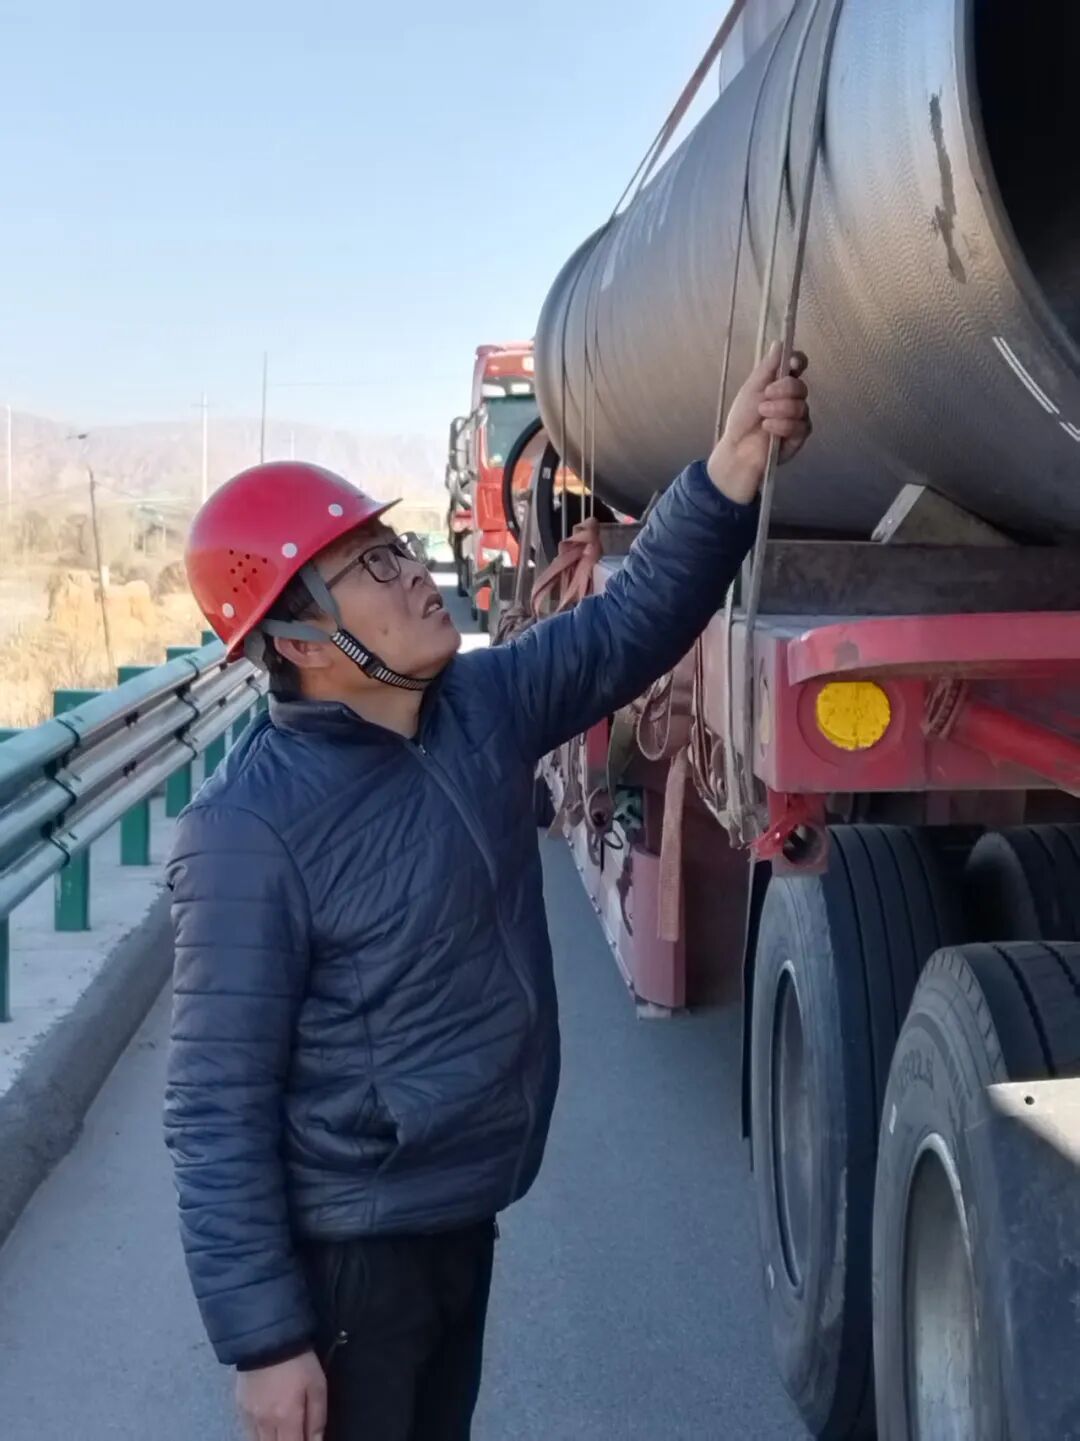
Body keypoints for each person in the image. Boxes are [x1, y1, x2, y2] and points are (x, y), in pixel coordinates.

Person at [164, 344, 811, 1441]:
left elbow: (627, 625)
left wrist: (731, 468)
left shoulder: (476, 707)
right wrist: (266, 1341)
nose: (417, 573)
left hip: (458, 1214)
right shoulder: (246, 830)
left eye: (399, 548)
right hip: (352, 1260)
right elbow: (213, 1103)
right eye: (371, 567)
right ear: (299, 640)